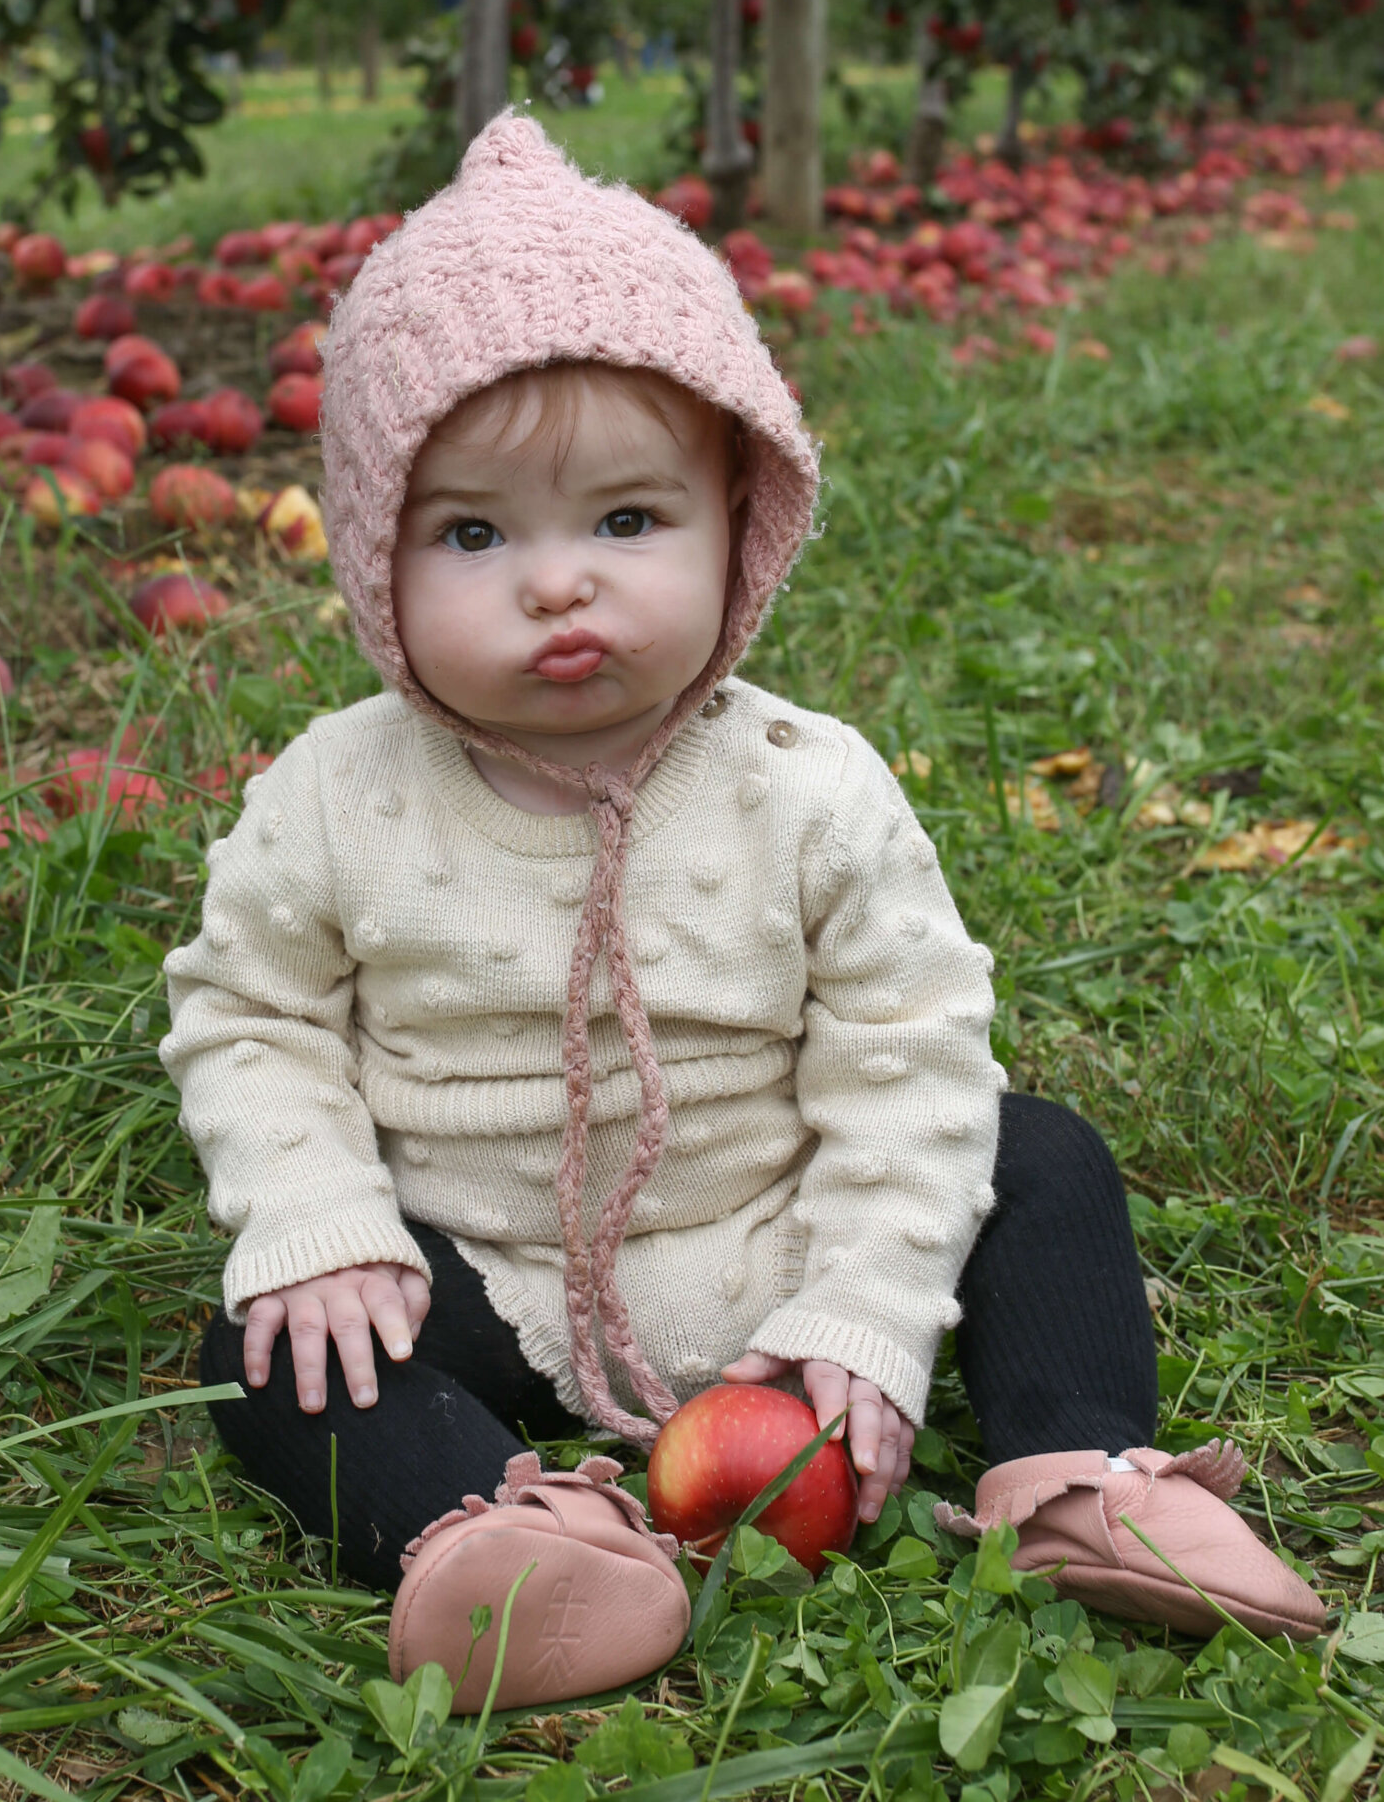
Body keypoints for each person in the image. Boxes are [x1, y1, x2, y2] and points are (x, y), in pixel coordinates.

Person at [161, 114, 1323, 1713]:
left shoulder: (808, 788)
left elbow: (905, 1055)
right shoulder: (335, 794)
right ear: (373, 560)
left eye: (626, 521)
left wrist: (862, 1298)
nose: (555, 584)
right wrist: (321, 1223)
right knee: (269, 1344)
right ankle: (494, 1528)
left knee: (1031, 1151)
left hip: (782, 1232)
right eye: (473, 533)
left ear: (736, 518)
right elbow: (252, 1011)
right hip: (487, 1268)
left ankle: (1074, 1471)